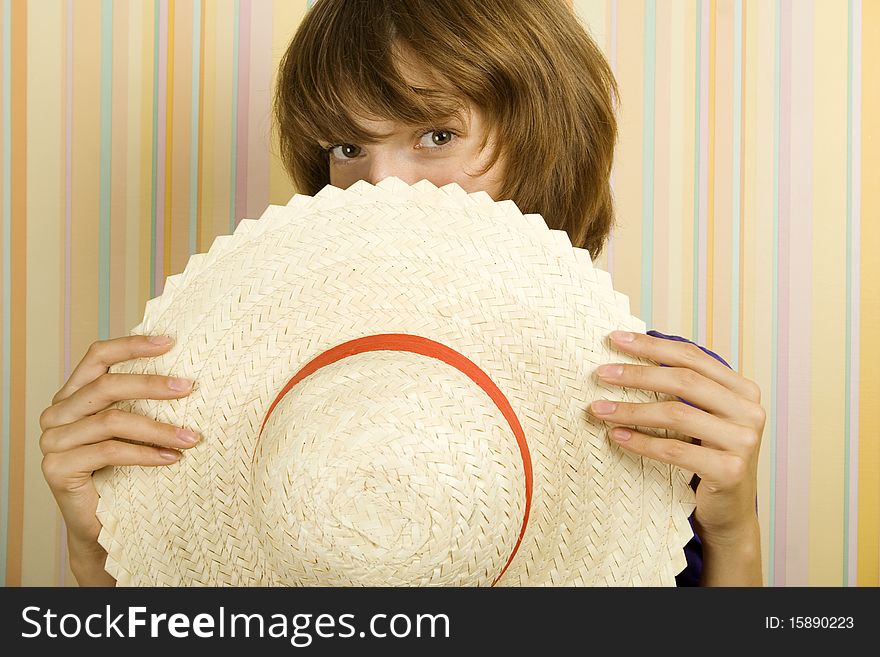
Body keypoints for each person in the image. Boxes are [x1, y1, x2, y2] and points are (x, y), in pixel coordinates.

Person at [39, 0, 765, 587]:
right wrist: (95, 544)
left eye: (437, 134)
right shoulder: (213, 380)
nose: (380, 185)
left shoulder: (665, 393)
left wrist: (734, 532)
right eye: (348, 149)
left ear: (545, 140)